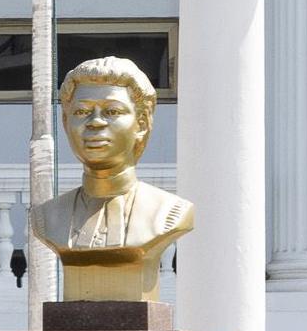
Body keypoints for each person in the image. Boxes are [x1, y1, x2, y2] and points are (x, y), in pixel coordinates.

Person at [28, 55, 192, 301]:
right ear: (65, 122)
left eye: (112, 111)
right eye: (82, 111)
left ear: (142, 123)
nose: (94, 122)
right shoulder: (47, 218)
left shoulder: (169, 213)